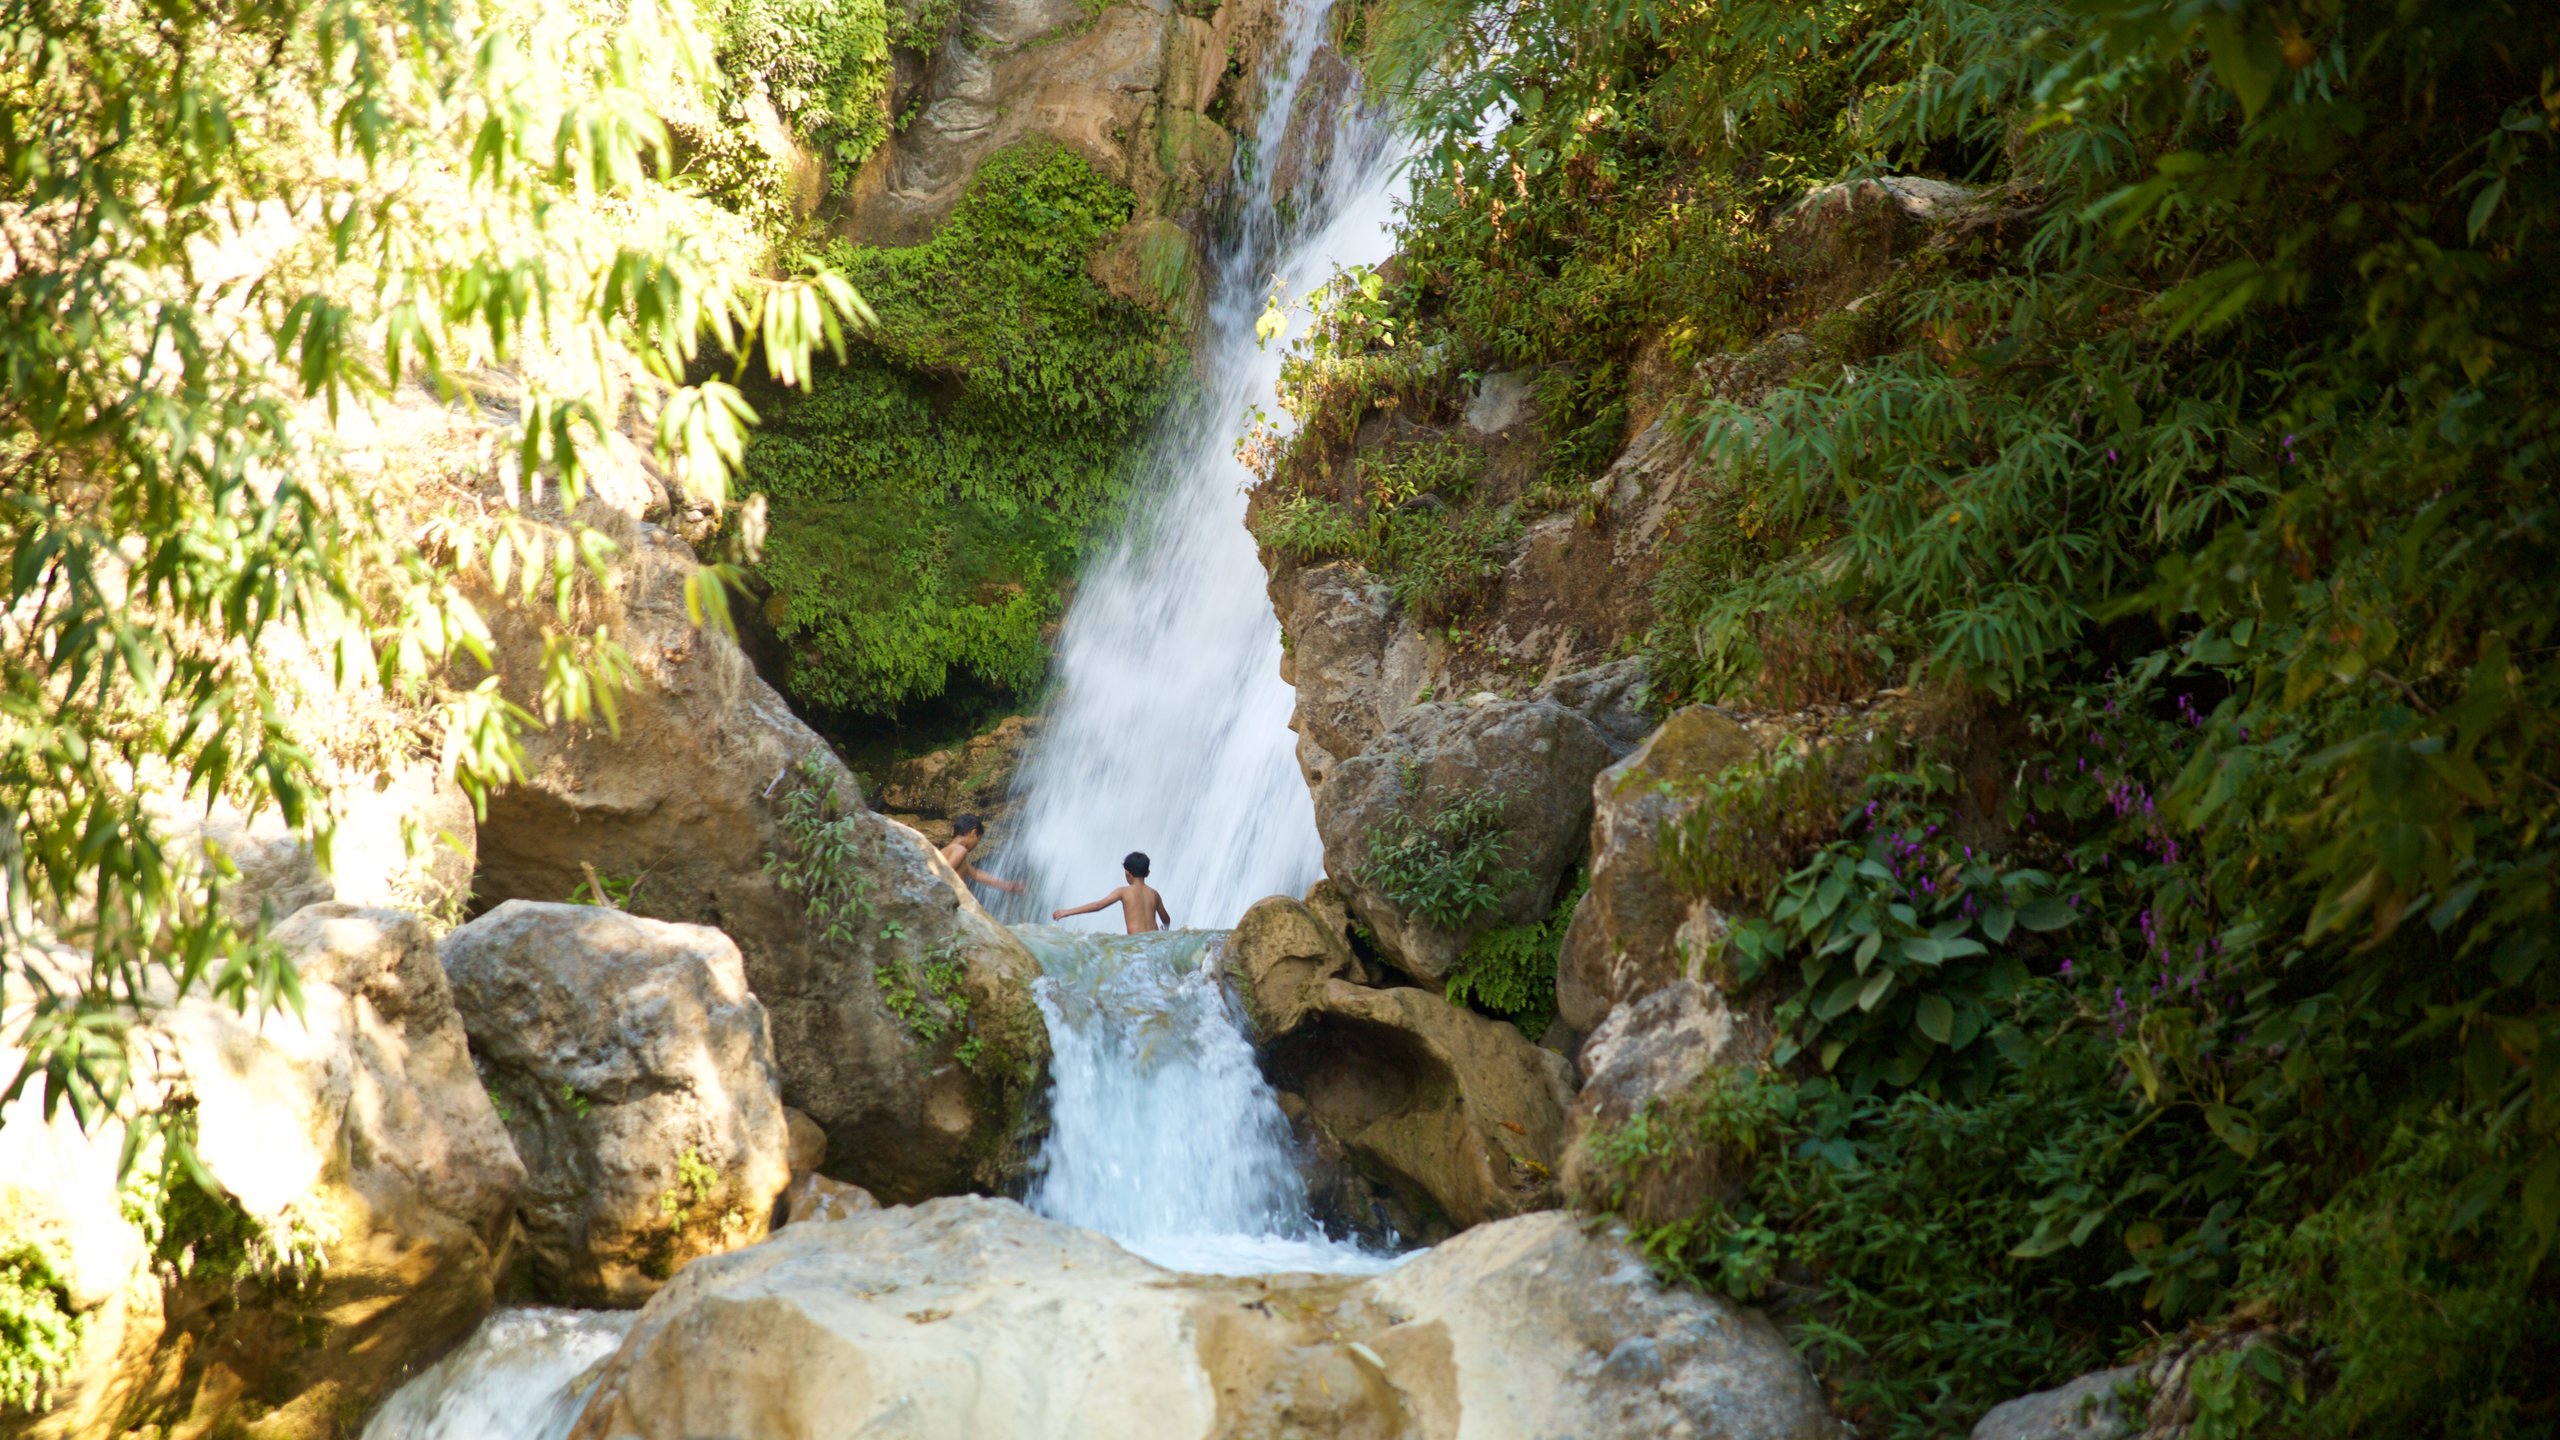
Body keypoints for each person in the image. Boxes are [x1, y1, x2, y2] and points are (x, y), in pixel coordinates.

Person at [1051, 852, 1171, 934]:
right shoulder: (1154, 894)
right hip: (1154, 941)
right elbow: (1166, 920)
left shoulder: (1124, 892)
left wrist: (1067, 912)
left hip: (1138, 943)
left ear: (1127, 874)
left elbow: (1098, 906)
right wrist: (1164, 930)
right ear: (1147, 873)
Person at [938, 814, 1025, 896]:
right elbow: (943, 872)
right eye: (978, 840)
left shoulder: (945, 851)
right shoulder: (960, 850)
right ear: (973, 833)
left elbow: (976, 874)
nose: (976, 844)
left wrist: (1008, 886)